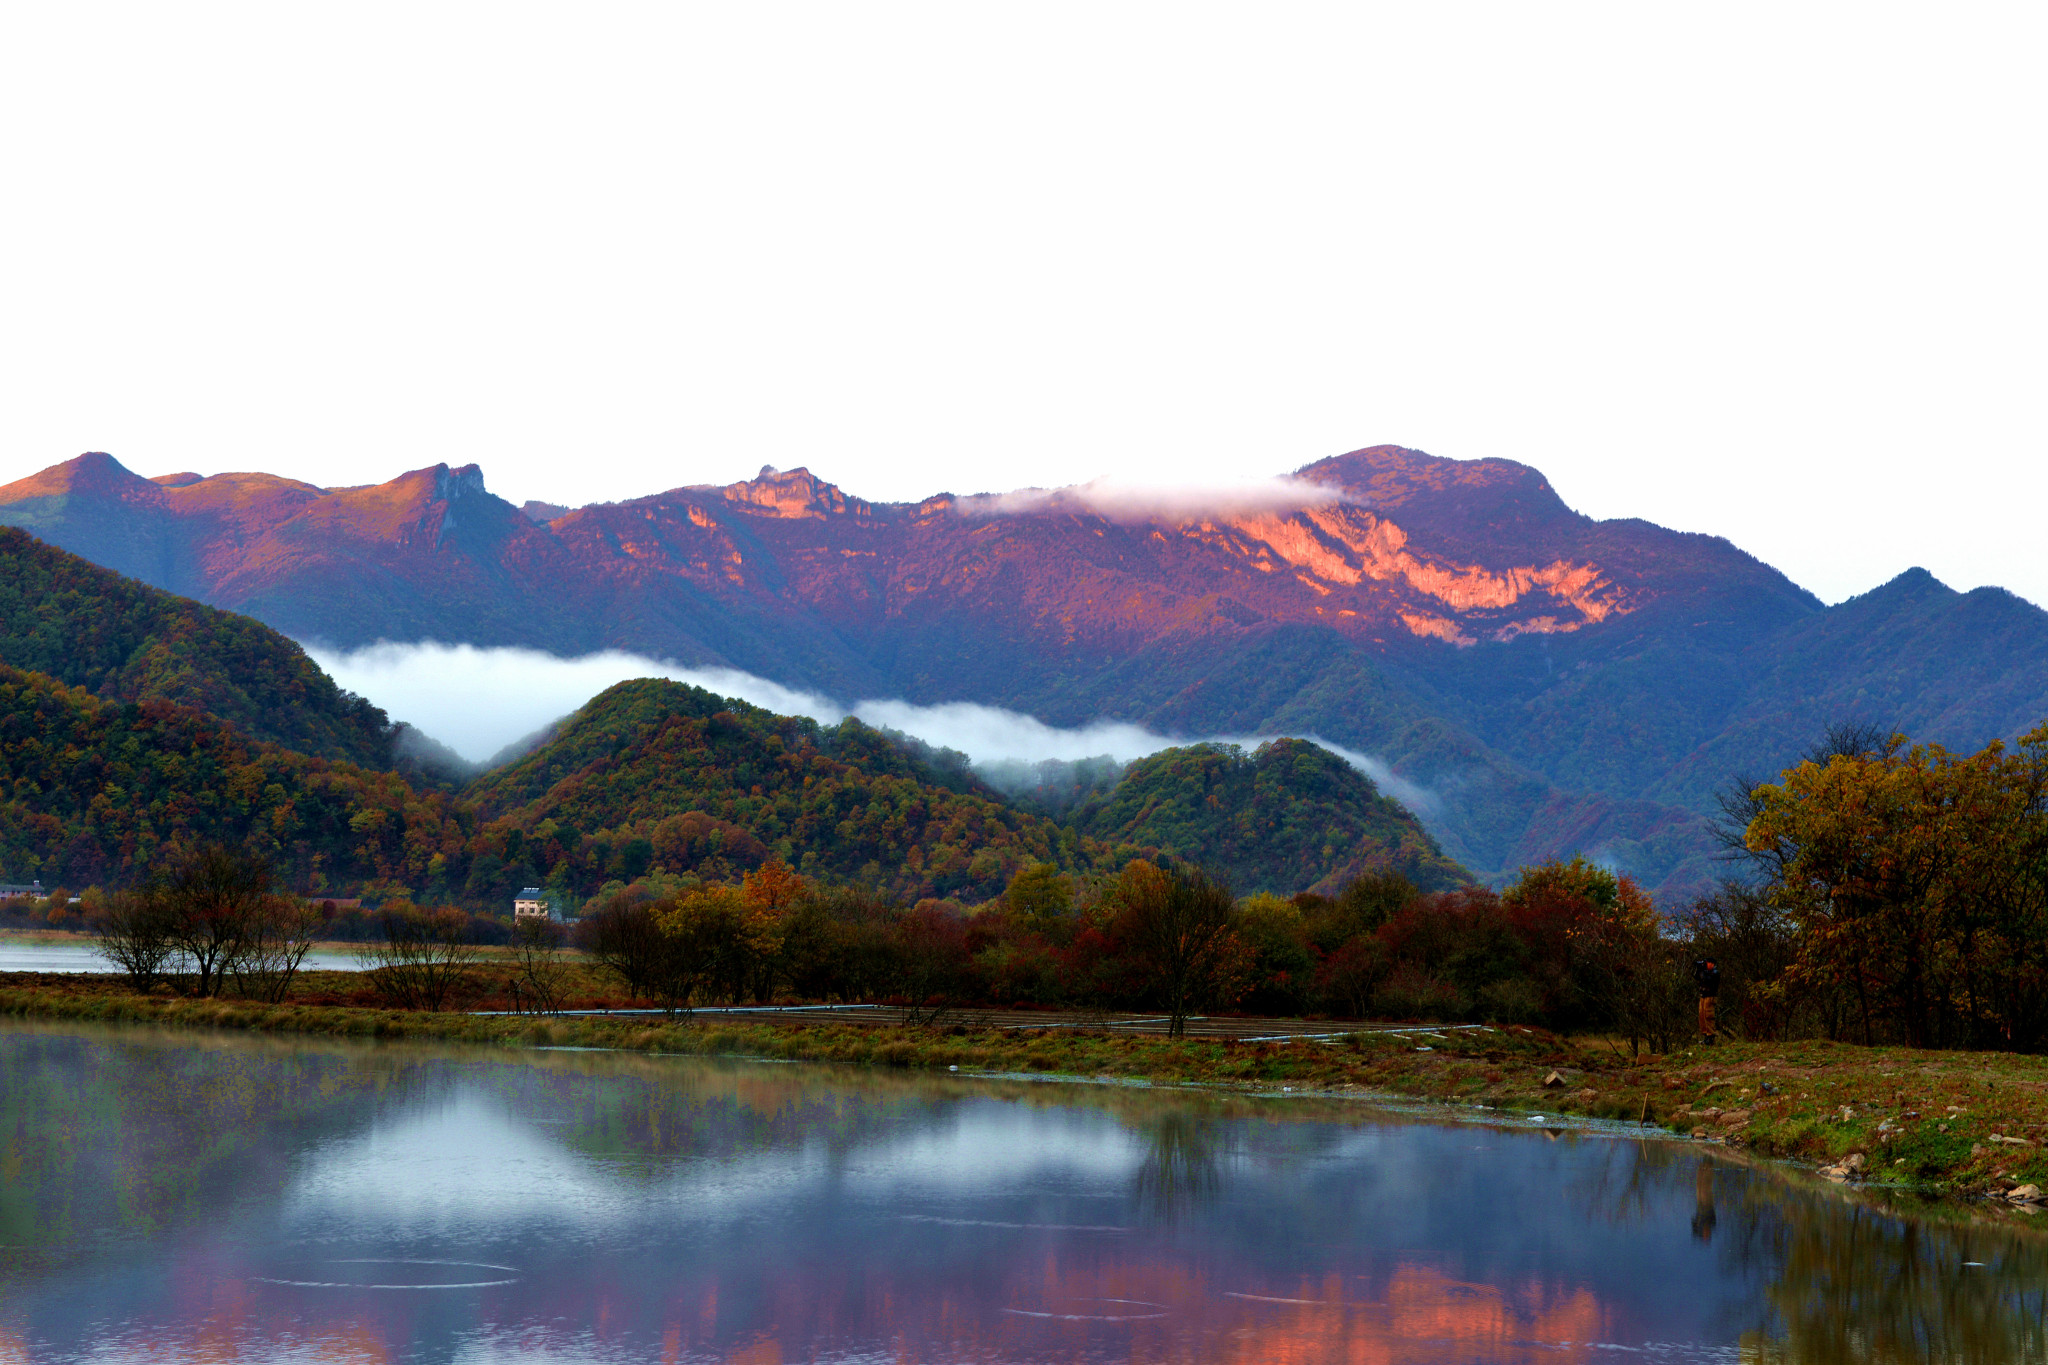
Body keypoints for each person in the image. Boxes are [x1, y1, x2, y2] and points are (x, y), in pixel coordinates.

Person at [1693, 958, 1720, 1045]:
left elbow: (1706, 979)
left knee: (1708, 1016)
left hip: (1710, 996)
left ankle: (1711, 1037)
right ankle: (1706, 1036)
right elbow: (1696, 977)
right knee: (1702, 1016)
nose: (1705, 964)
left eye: (1707, 963)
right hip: (1703, 996)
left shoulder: (1715, 973)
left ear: (1712, 964)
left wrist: (1702, 971)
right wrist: (1698, 969)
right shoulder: (1704, 971)